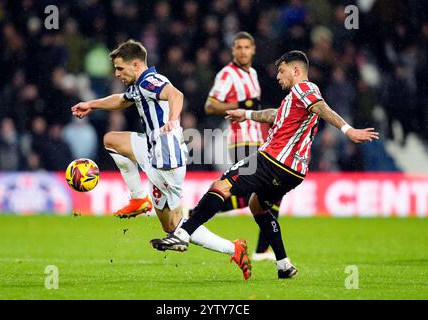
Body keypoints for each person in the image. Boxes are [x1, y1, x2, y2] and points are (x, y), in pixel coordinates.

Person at [150, 50, 379, 279]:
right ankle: (284, 265)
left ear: (296, 70)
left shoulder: (304, 88)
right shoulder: (296, 99)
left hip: (272, 159)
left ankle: (182, 234)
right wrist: (246, 114)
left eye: (281, 71)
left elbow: (322, 108)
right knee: (257, 206)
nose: (278, 77)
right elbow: (275, 115)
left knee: (221, 186)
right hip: (294, 172)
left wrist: (348, 130)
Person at [70, 39, 252, 280]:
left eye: (120, 68)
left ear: (136, 65)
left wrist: (174, 119)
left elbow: (176, 94)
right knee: (111, 140)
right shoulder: (139, 84)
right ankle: (138, 199)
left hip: (167, 161)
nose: (117, 73)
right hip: (152, 149)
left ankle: (233, 248)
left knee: (174, 226)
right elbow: (122, 99)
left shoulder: (150, 81)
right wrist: (92, 105)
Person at [204, 31, 277, 262]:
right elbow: (210, 106)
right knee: (248, 194)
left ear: (253, 49)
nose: (243, 51)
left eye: (247, 47)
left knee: (271, 194)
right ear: (233, 50)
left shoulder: (253, 73)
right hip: (240, 140)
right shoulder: (227, 74)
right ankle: (196, 214)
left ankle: (261, 250)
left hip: (258, 140)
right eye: (238, 47)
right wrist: (241, 104)